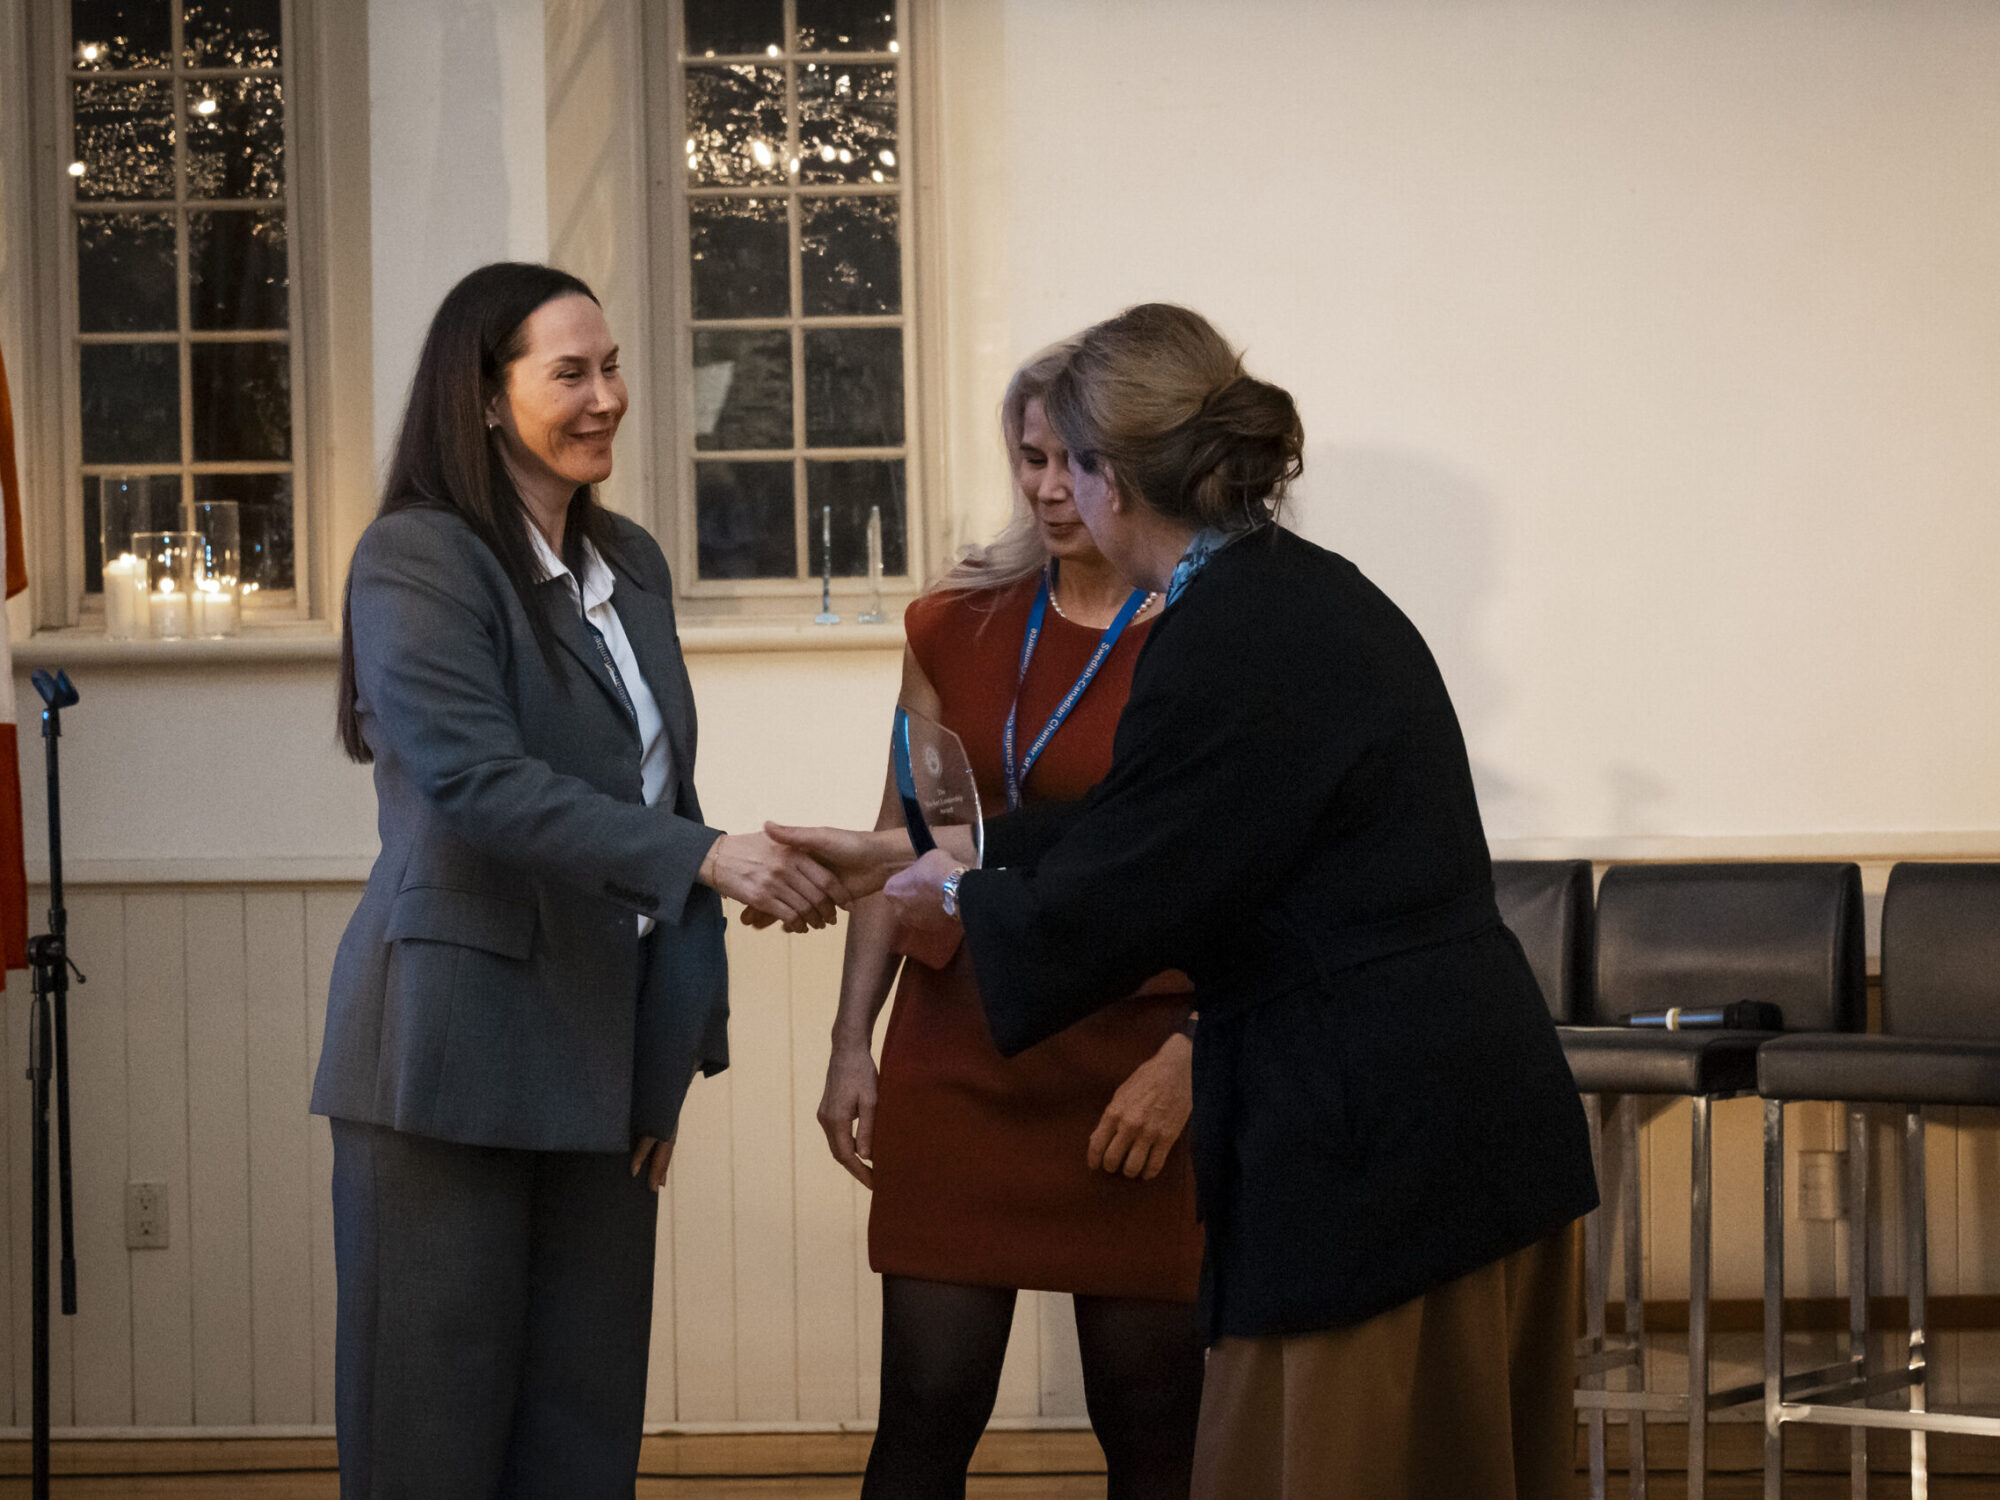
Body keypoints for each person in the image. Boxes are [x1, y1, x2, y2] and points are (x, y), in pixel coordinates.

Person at [774, 304, 1598, 1500]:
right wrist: (903, 849)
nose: (1053, 487)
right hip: (1430, 1115)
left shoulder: (1227, 630)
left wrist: (953, 881)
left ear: (1110, 479)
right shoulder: (1274, 593)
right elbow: (1145, 824)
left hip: (1382, 1137)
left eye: (1069, 460)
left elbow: (1131, 891)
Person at [311, 262, 848, 1499]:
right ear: (486, 399)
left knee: (579, 1443)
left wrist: (669, 1047)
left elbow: (665, 799)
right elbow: (473, 783)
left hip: (605, 1069)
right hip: (449, 1055)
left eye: (611, 368)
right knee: (428, 1447)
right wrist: (708, 857)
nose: (605, 396)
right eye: (569, 372)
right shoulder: (418, 557)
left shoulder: (636, 566)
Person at [818, 345, 1205, 1499]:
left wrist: (1195, 1058)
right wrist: (851, 1043)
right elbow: (903, 835)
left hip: (1133, 1054)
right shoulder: (949, 623)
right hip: (962, 1039)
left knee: (1149, 1424)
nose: (1047, 486)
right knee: (926, 1411)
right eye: (1028, 457)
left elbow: (1253, 876)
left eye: (1074, 460)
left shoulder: (1202, 629)